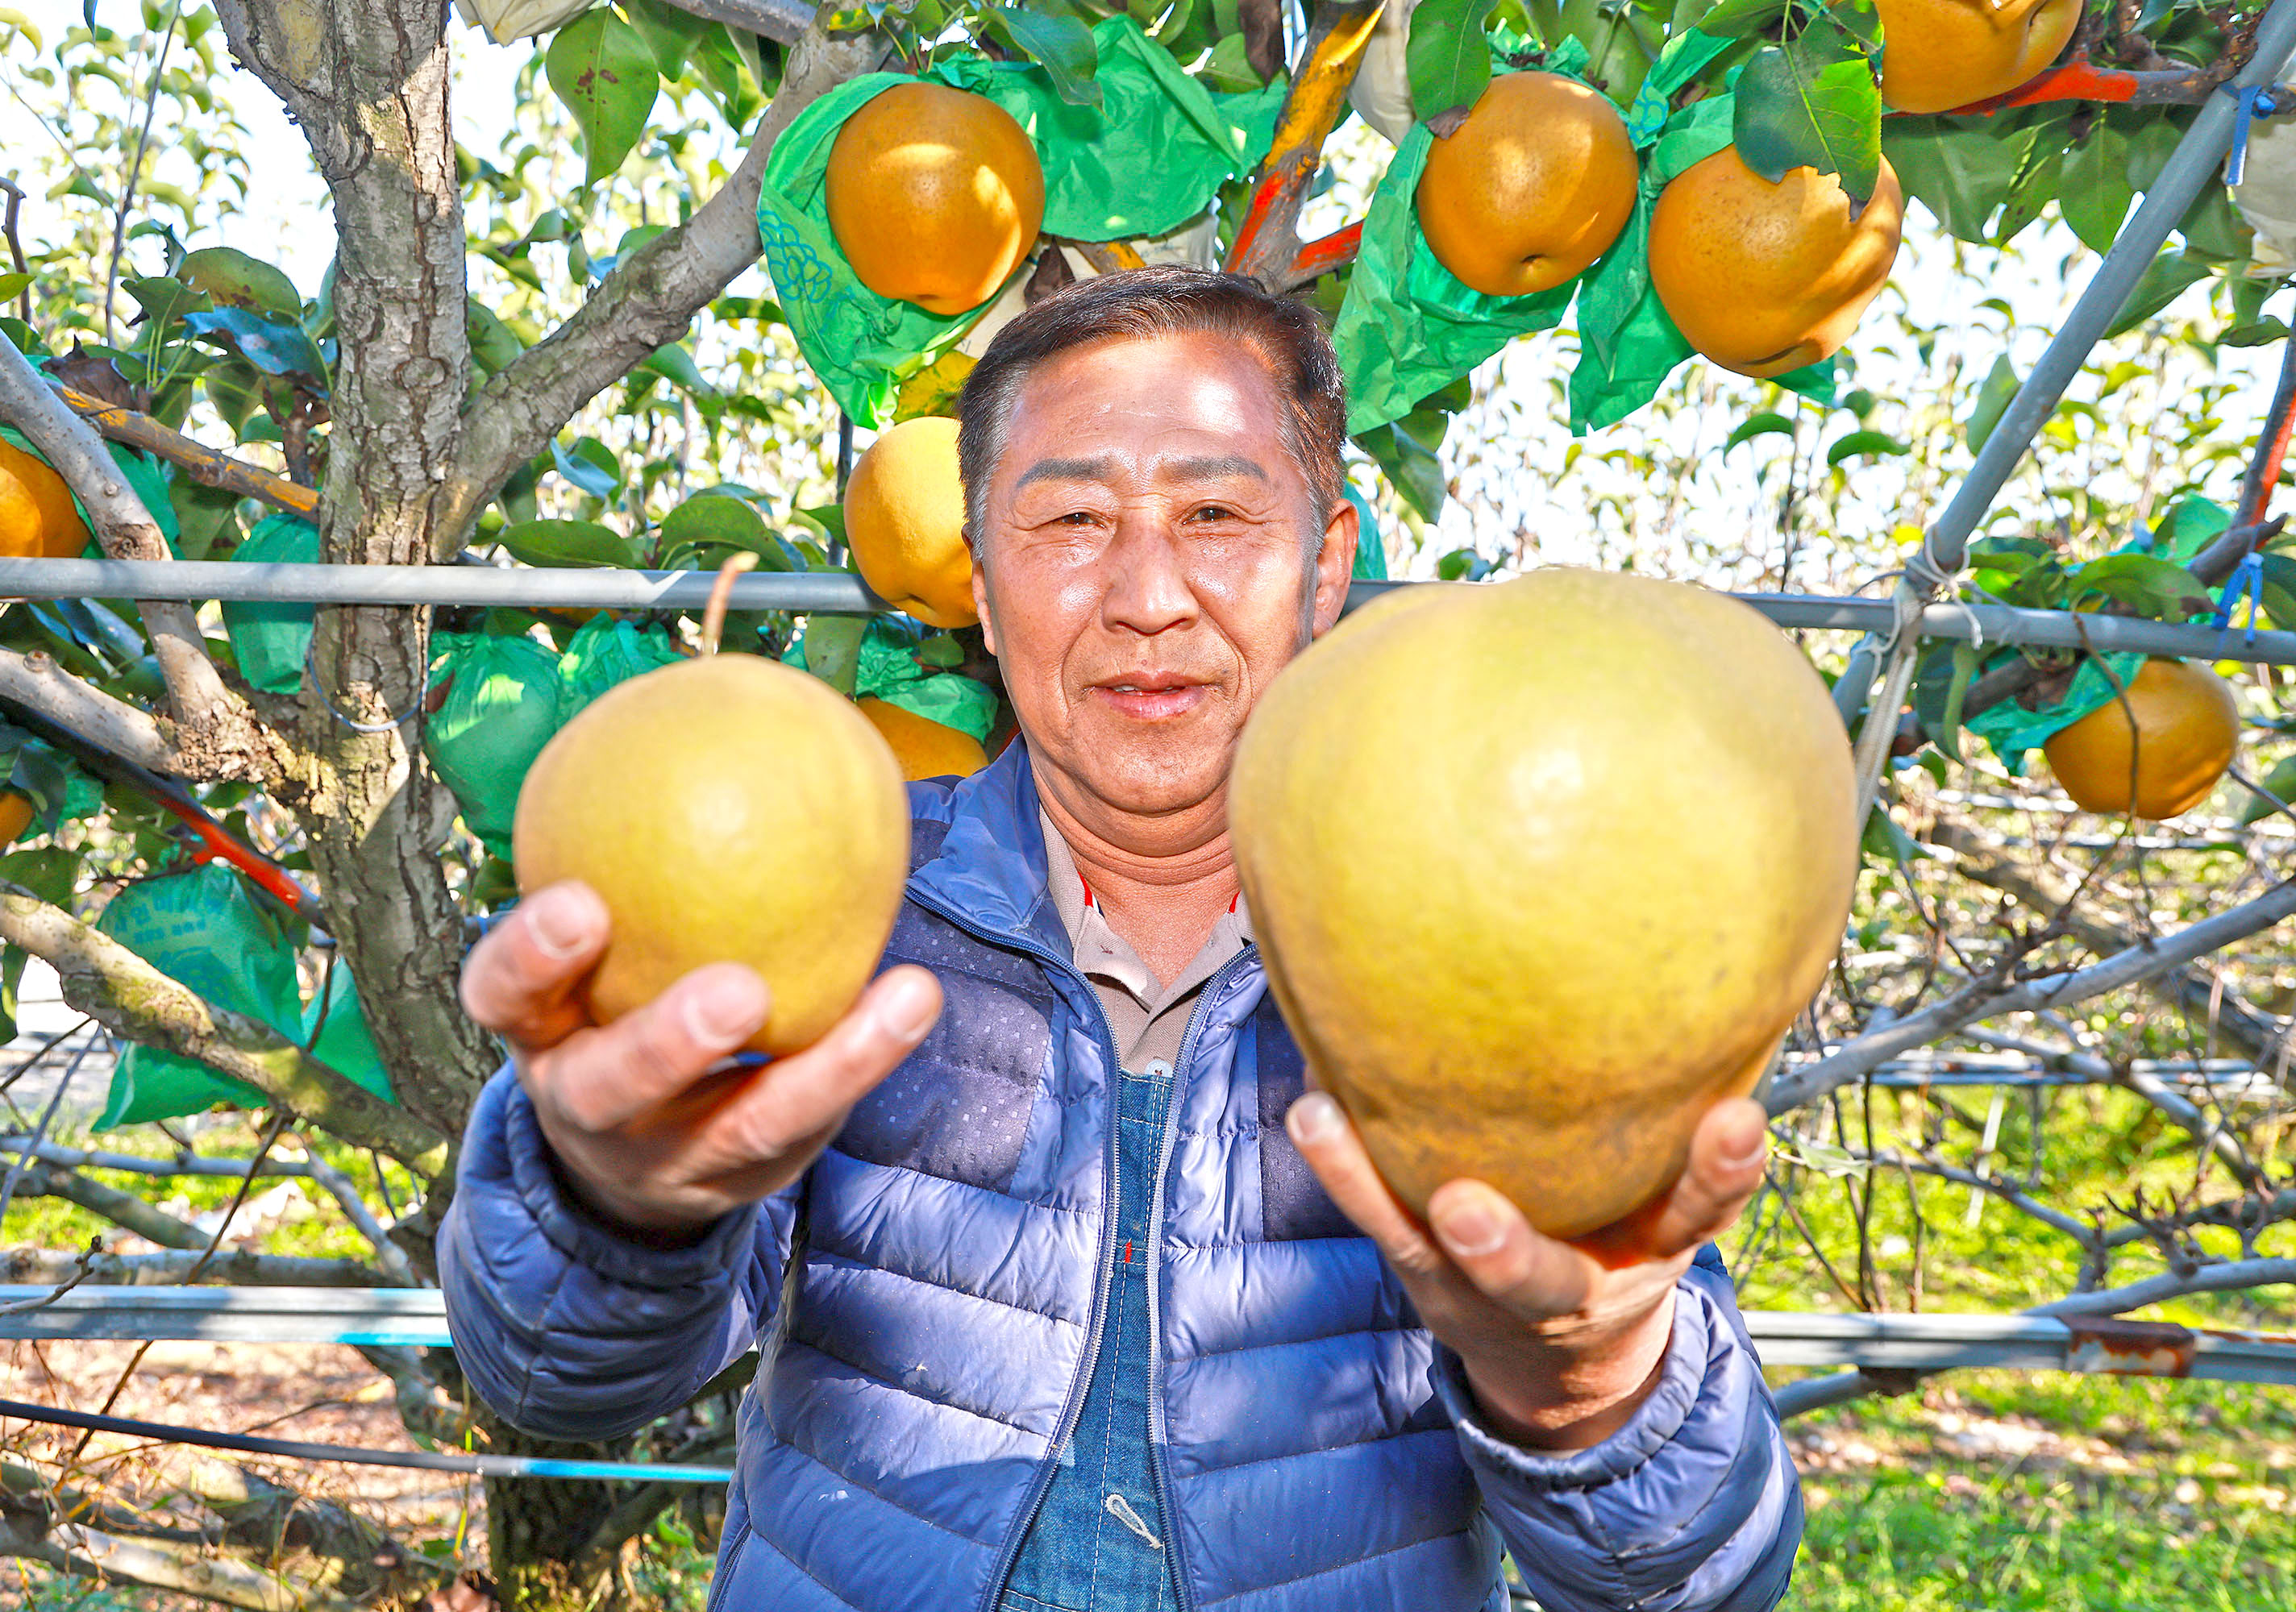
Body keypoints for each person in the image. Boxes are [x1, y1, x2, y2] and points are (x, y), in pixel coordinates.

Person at [442, 264, 1802, 1612]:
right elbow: (551, 1377)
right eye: (1073, 519)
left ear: (1326, 565)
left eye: (1214, 513)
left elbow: (1696, 1578)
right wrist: (611, 1208)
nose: (1149, 596)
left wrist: (1582, 1384)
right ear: (980, 587)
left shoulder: (1496, 934)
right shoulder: (839, 887)